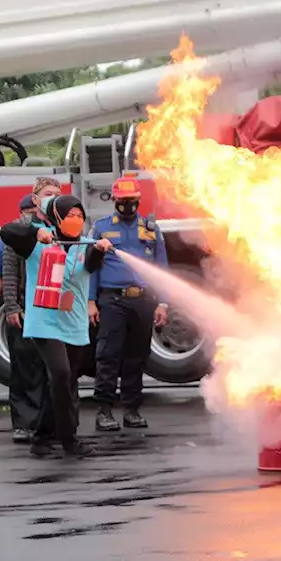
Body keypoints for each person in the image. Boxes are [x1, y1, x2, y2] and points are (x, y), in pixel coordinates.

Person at [0, 194, 109, 457]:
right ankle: (69, 439)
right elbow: (6, 231)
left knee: (64, 383)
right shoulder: (38, 238)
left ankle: (41, 438)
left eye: (80, 215)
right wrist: (35, 236)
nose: (76, 220)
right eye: (70, 215)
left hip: (73, 322)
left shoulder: (86, 244)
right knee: (60, 374)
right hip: (44, 321)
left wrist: (100, 248)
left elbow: (92, 267)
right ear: (57, 217)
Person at [88, 177, 170, 431]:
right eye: (123, 201)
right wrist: (91, 301)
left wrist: (163, 303)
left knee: (137, 357)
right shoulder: (101, 229)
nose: (127, 206)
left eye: (132, 201)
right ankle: (104, 411)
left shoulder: (151, 229)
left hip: (143, 301)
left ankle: (132, 410)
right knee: (108, 355)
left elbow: (161, 267)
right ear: (114, 200)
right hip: (112, 299)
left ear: (139, 201)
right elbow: (91, 268)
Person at [0, 192, 45, 442]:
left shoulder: (55, 233)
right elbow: (3, 274)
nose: (31, 215)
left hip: (48, 310)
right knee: (23, 369)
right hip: (22, 307)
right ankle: (24, 424)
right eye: (28, 211)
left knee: (48, 370)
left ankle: (46, 422)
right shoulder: (12, 237)